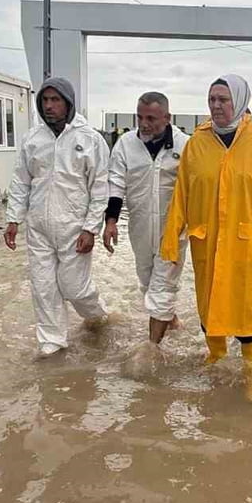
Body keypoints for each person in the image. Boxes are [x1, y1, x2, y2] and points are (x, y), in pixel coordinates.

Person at [161, 75, 252, 400]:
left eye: (223, 99)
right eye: (212, 99)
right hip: (207, 240)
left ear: (240, 100)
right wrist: (170, 239)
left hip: (250, 244)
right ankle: (216, 359)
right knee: (209, 305)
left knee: (249, 311)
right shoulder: (197, 143)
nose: (216, 105)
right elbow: (182, 194)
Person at [3, 77, 110, 356]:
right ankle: (52, 341)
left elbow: (100, 187)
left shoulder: (89, 139)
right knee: (43, 286)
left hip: (74, 228)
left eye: (55, 100)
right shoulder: (32, 138)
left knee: (74, 287)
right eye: (44, 101)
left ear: (68, 103)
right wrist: (13, 219)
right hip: (39, 227)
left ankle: (97, 316)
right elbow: (21, 181)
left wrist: (91, 228)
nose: (49, 106)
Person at [102, 91, 190, 344]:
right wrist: (111, 222)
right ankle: (171, 322)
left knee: (162, 289)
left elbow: (198, 186)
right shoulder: (126, 144)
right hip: (139, 227)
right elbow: (116, 183)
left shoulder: (185, 145)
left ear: (167, 117)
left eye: (151, 118)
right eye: (140, 117)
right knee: (148, 284)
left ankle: (152, 349)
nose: (144, 123)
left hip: (173, 230)